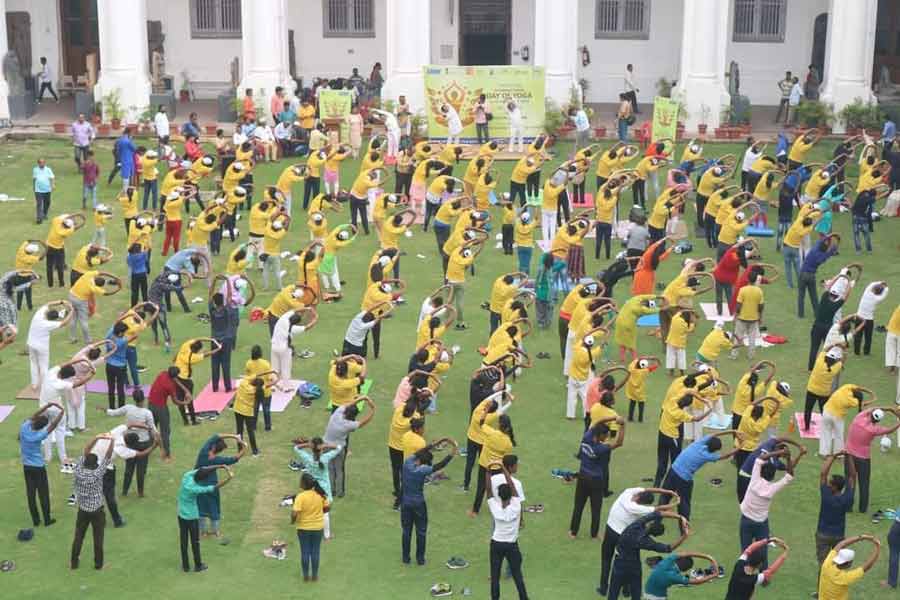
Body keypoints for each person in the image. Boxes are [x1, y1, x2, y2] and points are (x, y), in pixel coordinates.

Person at [739, 448, 803, 567]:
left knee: (745, 549)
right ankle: (764, 573)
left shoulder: (754, 480)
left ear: (761, 472)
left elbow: (760, 459)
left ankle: (744, 571)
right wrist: (788, 457)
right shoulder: (772, 488)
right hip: (761, 523)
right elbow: (790, 475)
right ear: (773, 476)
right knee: (763, 549)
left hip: (746, 520)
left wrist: (779, 452)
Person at [608, 511, 689, 600]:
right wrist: (684, 536)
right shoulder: (647, 542)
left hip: (619, 563)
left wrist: (680, 517)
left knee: (613, 592)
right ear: (655, 535)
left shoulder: (636, 525)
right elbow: (668, 548)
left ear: (650, 524)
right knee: (636, 594)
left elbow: (658, 513)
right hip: (633, 567)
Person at [400, 443, 456, 566]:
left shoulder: (407, 463)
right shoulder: (422, 470)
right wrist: (451, 454)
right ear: (425, 462)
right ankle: (420, 559)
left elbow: (420, 451)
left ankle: (405, 558)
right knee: (421, 531)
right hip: (418, 504)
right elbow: (440, 465)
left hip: (405, 502)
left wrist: (433, 444)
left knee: (406, 531)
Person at [569, 418, 625, 539]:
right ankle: (594, 534)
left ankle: (573, 532)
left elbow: (597, 422)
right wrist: (622, 425)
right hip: (596, 481)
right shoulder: (602, 448)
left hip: (582, 477)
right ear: (600, 435)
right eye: (606, 435)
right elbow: (619, 443)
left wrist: (613, 418)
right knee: (596, 508)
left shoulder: (586, 437)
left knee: (578, 506)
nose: (607, 437)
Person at [664, 432, 739, 521]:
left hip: (673, 470)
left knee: (665, 496)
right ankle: (684, 527)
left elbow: (715, 434)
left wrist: (733, 431)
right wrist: (740, 447)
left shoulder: (699, 443)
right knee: (684, 504)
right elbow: (726, 456)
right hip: (684, 478)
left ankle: (656, 520)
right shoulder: (707, 456)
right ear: (714, 450)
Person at [70, 434, 114, 570]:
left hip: (82, 509)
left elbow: (86, 450)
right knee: (98, 538)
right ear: (95, 464)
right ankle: (98, 564)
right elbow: (107, 456)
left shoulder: (78, 470)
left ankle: (74, 563)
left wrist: (96, 438)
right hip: (97, 510)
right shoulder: (97, 473)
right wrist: (111, 441)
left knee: (78, 537)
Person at [177, 465, 233, 572]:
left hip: (181, 515)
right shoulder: (195, 489)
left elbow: (203, 469)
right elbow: (215, 487)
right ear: (202, 480)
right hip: (192, 517)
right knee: (195, 542)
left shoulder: (186, 476)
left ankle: (185, 566)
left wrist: (220, 466)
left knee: (183, 540)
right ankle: (198, 566)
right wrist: (228, 478)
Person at [486, 460, 529, 600]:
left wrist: (488, 471)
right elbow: (512, 485)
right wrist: (504, 468)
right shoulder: (516, 506)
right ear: (511, 495)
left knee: (495, 576)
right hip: (511, 545)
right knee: (517, 575)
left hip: (496, 544)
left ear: (499, 495)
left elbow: (488, 491)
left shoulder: (495, 507)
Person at [105, 388, 157, 497]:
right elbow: (152, 429)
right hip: (143, 443)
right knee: (141, 470)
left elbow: (114, 413)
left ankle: (125, 491)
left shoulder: (128, 408)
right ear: (143, 399)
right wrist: (157, 441)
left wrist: (105, 410)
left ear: (134, 399)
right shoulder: (147, 413)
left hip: (130, 443)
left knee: (129, 468)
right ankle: (140, 492)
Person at [19, 403, 64, 527]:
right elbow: (53, 425)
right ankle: (47, 519)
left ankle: (36, 520)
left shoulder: (24, 427)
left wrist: (47, 405)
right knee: (43, 493)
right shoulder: (39, 435)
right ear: (42, 426)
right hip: (38, 467)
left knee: (31, 494)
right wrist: (61, 413)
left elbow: (35, 414)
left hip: (27, 467)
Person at [816, 451, 856, 584]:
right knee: (838, 564)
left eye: (830, 483)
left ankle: (821, 590)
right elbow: (853, 476)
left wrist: (833, 457)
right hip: (839, 536)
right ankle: (835, 585)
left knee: (823, 564)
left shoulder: (826, 495)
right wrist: (848, 457)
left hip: (822, 535)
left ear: (834, 487)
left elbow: (823, 474)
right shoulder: (847, 498)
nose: (828, 484)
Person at [322, 397, 376, 497]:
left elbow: (349, 403)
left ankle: (331, 490)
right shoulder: (349, 425)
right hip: (338, 449)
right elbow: (363, 422)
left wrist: (362, 398)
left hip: (325, 444)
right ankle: (340, 492)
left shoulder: (337, 413)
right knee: (339, 470)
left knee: (330, 468)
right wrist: (372, 410)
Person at [195, 434, 245, 540]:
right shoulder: (217, 460)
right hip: (212, 486)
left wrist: (234, 436)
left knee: (201, 509)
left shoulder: (203, 453)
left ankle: (202, 532)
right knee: (214, 507)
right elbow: (235, 459)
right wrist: (245, 447)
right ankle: (216, 532)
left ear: (213, 447)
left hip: (198, 486)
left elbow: (215, 436)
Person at [292, 472, 329, 581]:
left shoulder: (301, 497)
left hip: (303, 528)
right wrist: (319, 511)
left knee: (305, 551)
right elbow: (327, 508)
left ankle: (305, 576)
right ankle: (315, 576)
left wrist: (292, 521)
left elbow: (294, 513)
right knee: (315, 551)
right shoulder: (320, 495)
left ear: (304, 484)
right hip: (318, 528)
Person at [724, 537, 790, 599]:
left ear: (749, 558)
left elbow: (750, 548)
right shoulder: (755, 579)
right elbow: (771, 570)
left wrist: (769, 540)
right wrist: (786, 551)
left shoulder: (739, 565)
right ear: (759, 565)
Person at [644, 552, 718, 599]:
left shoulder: (669, 559)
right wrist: (714, 575)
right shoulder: (676, 577)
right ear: (685, 570)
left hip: (647, 591)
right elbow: (696, 582)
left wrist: (708, 557)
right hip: (657, 597)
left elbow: (688, 553)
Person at [854, 281, 889, 356]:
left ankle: (856, 352)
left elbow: (871, 284)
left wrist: (880, 282)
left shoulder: (866, 292)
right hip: (868, 320)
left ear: (873, 289)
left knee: (858, 335)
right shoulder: (877, 299)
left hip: (859, 317)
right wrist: (886, 287)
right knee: (868, 337)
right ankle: (866, 353)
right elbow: (885, 293)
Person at [32, 158, 55, 224]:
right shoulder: (35, 169)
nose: (42, 164)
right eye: (40, 162)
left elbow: (52, 177)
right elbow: (34, 179)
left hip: (47, 189)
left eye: (43, 162)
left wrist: (53, 184)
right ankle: (39, 218)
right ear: (38, 163)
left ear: (45, 163)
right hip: (38, 190)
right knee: (39, 204)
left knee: (47, 203)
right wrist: (33, 186)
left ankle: (44, 214)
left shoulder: (48, 169)